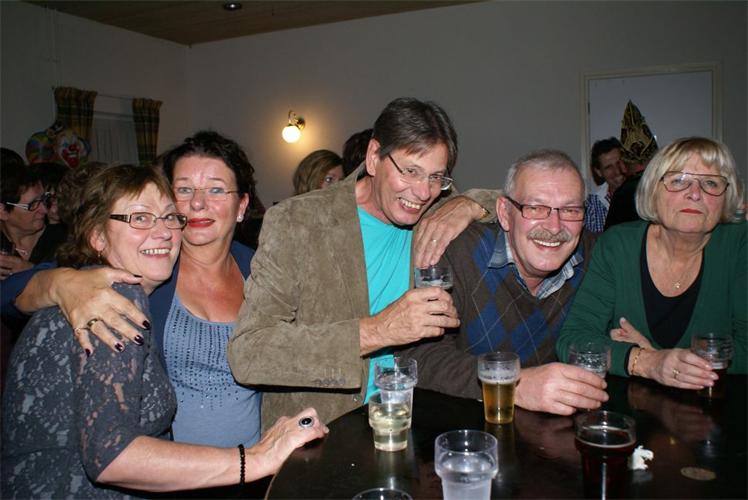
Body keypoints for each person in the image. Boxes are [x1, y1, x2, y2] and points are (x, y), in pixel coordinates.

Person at [1, 163, 327, 498]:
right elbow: (111, 457)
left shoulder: (254, 267)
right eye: (140, 218)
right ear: (97, 236)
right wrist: (257, 459)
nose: (163, 232)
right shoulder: (108, 298)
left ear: (242, 204)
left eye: (169, 217)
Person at [228, 97, 495, 428]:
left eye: (436, 177)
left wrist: (469, 204)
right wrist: (379, 330)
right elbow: (249, 354)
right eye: (411, 171)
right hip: (321, 432)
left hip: (412, 421)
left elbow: (515, 204)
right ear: (373, 157)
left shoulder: (438, 209)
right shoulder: (297, 221)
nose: (423, 192)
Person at [6, 132, 264, 451]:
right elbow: (9, 292)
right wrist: (60, 283)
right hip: (165, 469)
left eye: (216, 189)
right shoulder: (146, 264)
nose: (198, 203)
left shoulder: (262, 271)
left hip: (258, 463)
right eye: (184, 189)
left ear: (241, 206)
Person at [399, 150, 607, 415]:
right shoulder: (459, 253)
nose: (554, 227)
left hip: (557, 430)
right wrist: (513, 383)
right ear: (505, 213)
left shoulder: (596, 257)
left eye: (570, 210)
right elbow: (419, 357)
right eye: (535, 208)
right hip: (470, 425)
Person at [558, 137, 746, 390]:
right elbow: (573, 340)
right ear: (652, 190)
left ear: (726, 196)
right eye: (678, 181)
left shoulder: (740, 244)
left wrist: (657, 356)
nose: (695, 194)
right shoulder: (617, 245)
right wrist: (648, 362)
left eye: (711, 183)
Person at [0, 162, 64, 279]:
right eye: (32, 204)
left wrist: (32, 271)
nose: (44, 209)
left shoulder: (63, 240)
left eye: (44, 199)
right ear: (3, 211)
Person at [584, 138, 627, 233]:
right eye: (609, 167)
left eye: (619, 163)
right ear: (599, 172)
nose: (617, 171)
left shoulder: (645, 196)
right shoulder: (592, 206)